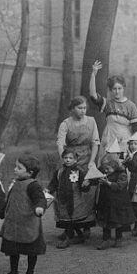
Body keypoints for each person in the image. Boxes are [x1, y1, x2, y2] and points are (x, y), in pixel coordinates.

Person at [0, 156, 47, 274]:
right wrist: (1, 213)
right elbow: (9, 200)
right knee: (13, 248)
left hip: (28, 224)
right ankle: (13, 272)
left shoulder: (33, 185)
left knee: (31, 249)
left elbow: (40, 199)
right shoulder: (15, 183)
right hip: (14, 223)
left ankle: (30, 273)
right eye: (16, 166)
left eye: (19, 168)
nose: (15, 169)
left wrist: (39, 207)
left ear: (30, 172)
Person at [56, 96, 100, 238]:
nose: (82, 111)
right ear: (72, 108)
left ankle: (86, 225)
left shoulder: (92, 121)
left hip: (87, 158)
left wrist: (92, 161)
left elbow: (95, 143)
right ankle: (69, 225)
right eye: (79, 108)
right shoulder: (66, 124)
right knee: (69, 189)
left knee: (87, 192)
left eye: (84, 108)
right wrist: (65, 159)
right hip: (71, 157)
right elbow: (60, 142)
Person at [89, 60, 137, 162]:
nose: (117, 91)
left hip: (124, 140)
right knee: (106, 165)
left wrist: (133, 146)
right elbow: (93, 95)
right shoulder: (108, 103)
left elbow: (136, 129)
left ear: (123, 88)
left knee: (121, 166)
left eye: (119, 88)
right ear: (110, 90)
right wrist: (93, 74)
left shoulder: (131, 106)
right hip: (109, 138)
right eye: (114, 89)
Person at [47, 149, 93, 249]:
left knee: (72, 219)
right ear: (62, 159)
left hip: (75, 200)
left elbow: (84, 188)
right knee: (68, 219)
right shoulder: (59, 172)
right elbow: (53, 184)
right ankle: (80, 235)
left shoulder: (79, 172)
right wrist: (48, 190)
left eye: (70, 158)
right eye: (65, 158)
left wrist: (85, 185)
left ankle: (67, 239)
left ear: (75, 160)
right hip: (62, 200)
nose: (68, 160)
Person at [96, 159, 135, 250]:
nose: (106, 171)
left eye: (108, 169)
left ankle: (118, 239)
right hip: (106, 202)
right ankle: (106, 239)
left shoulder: (122, 174)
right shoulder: (105, 175)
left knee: (118, 222)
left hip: (118, 203)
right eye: (105, 169)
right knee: (106, 221)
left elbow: (119, 186)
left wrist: (107, 183)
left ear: (114, 168)